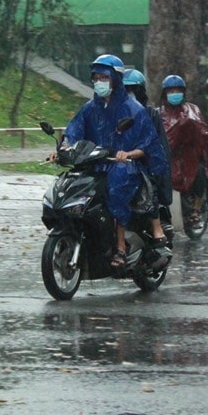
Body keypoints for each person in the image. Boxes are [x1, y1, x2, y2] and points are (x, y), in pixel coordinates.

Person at [58, 55, 169, 271]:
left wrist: (128, 154)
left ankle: (120, 247)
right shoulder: (90, 108)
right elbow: (73, 131)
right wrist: (63, 148)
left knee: (117, 186)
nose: (99, 82)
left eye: (104, 78)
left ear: (115, 79)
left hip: (125, 166)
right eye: (96, 78)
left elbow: (147, 144)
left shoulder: (134, 109)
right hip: (95, 164)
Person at [123, 68, 174, 237]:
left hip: (143, 163)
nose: (128, 94)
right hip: (116, 163)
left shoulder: (150, 114)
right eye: (124, 90)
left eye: (131, 90)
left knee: (146, 183)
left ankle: (156, 226)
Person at [159, 74, 208, 224]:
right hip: (169, 157)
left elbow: (204, 134)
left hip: (191, 155)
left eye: (177, 91)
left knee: (199, 174)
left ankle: (195, 209)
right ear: (165, 93)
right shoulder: (159, 113)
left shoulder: (192, 110)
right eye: (171, 91)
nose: (174, 94)